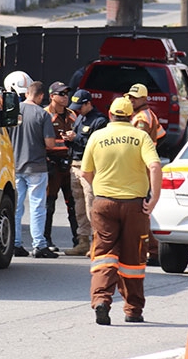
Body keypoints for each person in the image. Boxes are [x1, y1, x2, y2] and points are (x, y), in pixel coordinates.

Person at [80, 96, 162, 325]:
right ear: (130, 115)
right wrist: (154, 197)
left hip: (104, 203)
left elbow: (85, 172)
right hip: (136, 206)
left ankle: (101, 301)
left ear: (110, 115)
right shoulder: (140, 136)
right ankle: (133, 310)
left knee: (104, 255)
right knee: (133, 259)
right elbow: (154, 166)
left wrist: (99, 190)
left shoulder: (98, 136)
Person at [9, 80, 59, 259]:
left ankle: (14, 243)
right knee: (37, 206)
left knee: (16, 206)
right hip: (36, 165)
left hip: (14, 164)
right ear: (41, 96)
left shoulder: (13, 111)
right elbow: (50, 143)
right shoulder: (42, 114)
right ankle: (39, 245)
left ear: (26, 94)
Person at [63, 89, 108, 256]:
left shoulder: (100, 121)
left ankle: (97, 242)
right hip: (75, 165)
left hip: (90, 167)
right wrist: (69, 139)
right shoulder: (80, 118)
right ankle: (83, 241)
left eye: (80, 107)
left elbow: (96, 145)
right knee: (79, 206)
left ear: (89, 103)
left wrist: (77, 138)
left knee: (91, 204)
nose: (77, 110)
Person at [125, 83, 165, 266]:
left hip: (142, 167)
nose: (131, 100)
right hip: (145, 165)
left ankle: (154, 250)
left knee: (143, 211)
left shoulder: (142, 119)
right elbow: (161, 134)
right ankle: (152, 249)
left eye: (135, 98)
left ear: (144, 98)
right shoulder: (148, 115)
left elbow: (137, 142)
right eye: (130, 97)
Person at [43, 81, 79, 253]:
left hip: (69, 165)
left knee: (73, 203)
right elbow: (43, 142)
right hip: (52, 165)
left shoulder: (72, 115)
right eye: (61, 94)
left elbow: (80, 137)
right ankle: (46, 239)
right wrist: (64, 141)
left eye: (67, 93)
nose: (65, 97)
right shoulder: (45, 115)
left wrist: (74, 138)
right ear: (52, 96)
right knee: (48, 204)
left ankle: (78, 240)